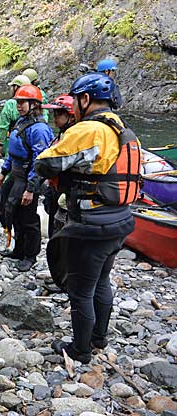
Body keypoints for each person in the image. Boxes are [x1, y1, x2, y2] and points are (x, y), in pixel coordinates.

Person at [36, 73, 140, 363]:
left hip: (91, 224)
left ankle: (80, 350)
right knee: (102, 281)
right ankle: (99, 338)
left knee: (81, 290)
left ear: (85, 99)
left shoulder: (90, 130)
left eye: (75, 99)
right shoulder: (125, 130)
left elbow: (45, 163)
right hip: (120, 221)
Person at [0, 85, 53, 272]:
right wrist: (4, 172)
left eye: (22, 102)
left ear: (35, 104)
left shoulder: (39, 129)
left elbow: (39, 160)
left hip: (28, 177)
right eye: (17, 102)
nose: (19, 105)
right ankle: (18, 249)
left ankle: (30, 255)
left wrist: (31, 188)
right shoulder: (21, 122)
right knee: (7, 208)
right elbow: (13, 151)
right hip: (15, 173)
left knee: (28, 217)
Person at [40, 94, 76, 236]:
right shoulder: (61, 135)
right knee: (53, 231)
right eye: (54, 113)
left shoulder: (75, 138)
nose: (55, 117)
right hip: (55, 190)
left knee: (60, 233)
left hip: (66, 194)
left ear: (71, 117)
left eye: (59, 114)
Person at [0, 74, 32, 157]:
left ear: (16, 87)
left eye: (12, 86)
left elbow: (3, 127)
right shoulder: (33, 103)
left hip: (14, 143)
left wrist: (0, 143)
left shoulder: (10, 104)